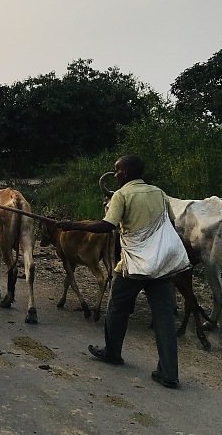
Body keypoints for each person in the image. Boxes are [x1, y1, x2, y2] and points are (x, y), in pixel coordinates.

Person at [58, 155, 189, 389]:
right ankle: (169, 372)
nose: (115, 174)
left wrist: (73, 225)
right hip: (161, 265)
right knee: (164, 317)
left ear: (126, 173)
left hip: (134, 265)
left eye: (117, 171)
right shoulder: (159, 193)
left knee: (117, 308)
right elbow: (168, 222)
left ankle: (112, 352)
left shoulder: (122, 195)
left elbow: (106, 226)